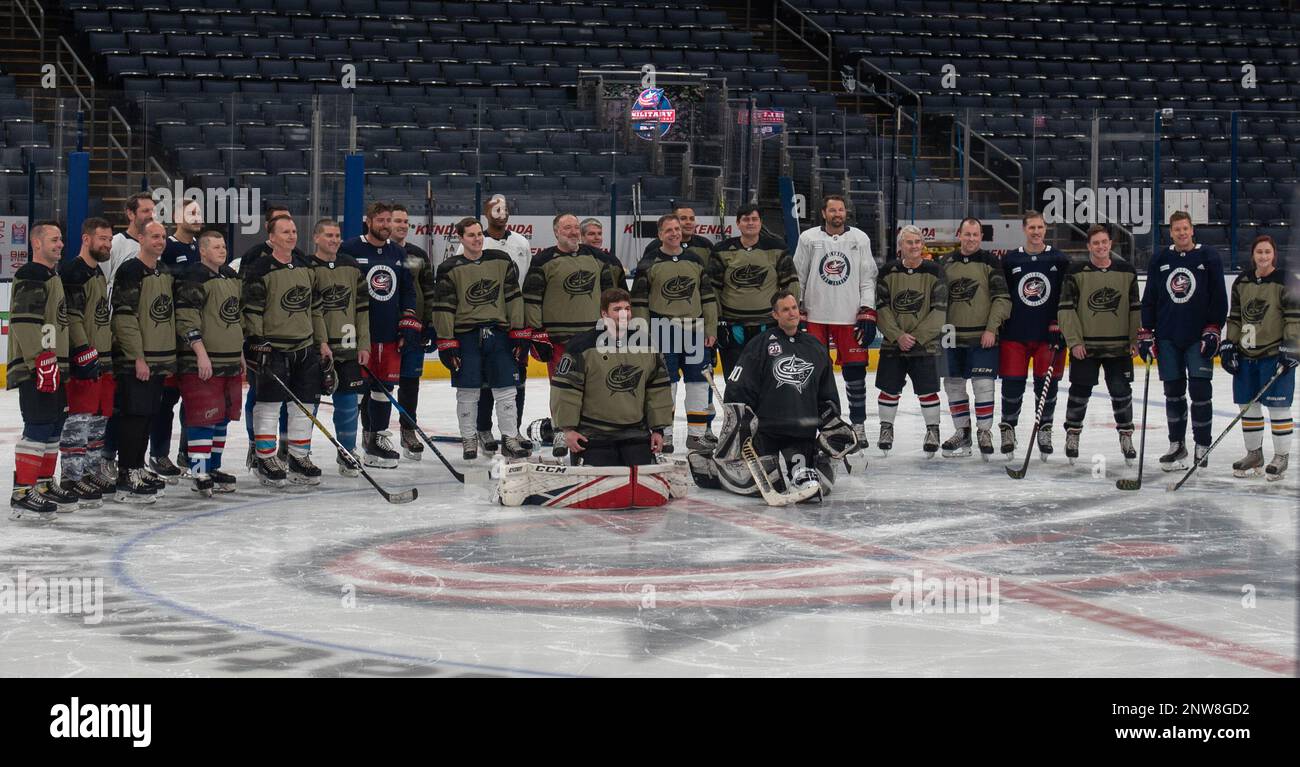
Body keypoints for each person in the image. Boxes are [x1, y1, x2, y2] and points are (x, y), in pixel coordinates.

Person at [688, 290, 852, 503]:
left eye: (794, 308)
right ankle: (714, 472)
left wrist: (831, 424)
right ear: (775, 315)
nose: (791, 313)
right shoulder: (761, 344)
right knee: (769, 481)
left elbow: (826, 394)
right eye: (785, 309)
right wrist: (742, 418)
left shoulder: (815, 348)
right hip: (765, 432)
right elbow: (738, 386)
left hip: (801, 432)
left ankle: (811, 467)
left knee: (809, 483)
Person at [431, 217, 530, 460]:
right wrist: (446, 342)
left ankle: (509, 437)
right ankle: (469, 439)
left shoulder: (500, 260)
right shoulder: (449, 268)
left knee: (506, 389)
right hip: (466, 336)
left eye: (478, 234)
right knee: (468, 391)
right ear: (461, 238)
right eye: (471, 235)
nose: (476, 239)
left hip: (498, 334)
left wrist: (518, 332)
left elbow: (513, 297)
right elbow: (443, 307)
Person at [1139, 210, 1228, 471]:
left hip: (1197, 337)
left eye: (1185, 228)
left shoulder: (1208, 256)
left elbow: (1218, 296)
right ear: (1171, 232)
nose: (1181, 233)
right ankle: (1177, 444)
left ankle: (1202, 444)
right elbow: (1151, 298)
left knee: (1200, 392)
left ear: (1192, 230)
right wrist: (1146, 332)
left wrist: (1213, 327)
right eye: (1176, 229)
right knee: (1173, 394)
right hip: (1168, 336)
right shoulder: (1160, 259)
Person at [242, 215, 326, 486]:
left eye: (293, 231)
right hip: (273, 348)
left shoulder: (305, 265)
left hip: (304, 347)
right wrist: (257, 342)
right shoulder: (260, 268)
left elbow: (315, 308)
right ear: (272, 236)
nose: (292, 236)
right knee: (268, 405)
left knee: (303, 406)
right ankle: (265, 457)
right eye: (285, 232)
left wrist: (321, 341)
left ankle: (298, 456)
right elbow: (252, 310)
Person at [550, 288, 672, 467]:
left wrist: (658, 430)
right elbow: (565, 391)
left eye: (627, 309)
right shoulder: (581, 346)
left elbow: (658, 388)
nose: (624, 314)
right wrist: (567, 430)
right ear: (604, 313)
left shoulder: (647, 345)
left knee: (638, 489)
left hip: (635, 433)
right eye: (617, 309)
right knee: (598, 490)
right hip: (593, 434)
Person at [340, 201, 420, 468]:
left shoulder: (398, 252)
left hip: (389, 334)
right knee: (357, 391)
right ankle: (350, 446)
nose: (386, 225)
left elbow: (408, 290)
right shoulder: (349, 249)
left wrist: (407, 320)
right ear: (369, 221)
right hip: (360, 334)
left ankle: (377, 441)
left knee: (384, 389)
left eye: (390, 221)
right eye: (382, 220)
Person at [794, 194, 877, 444]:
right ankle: (817, 423)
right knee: (813, 374)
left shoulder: (860, 238)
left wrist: (868, 311)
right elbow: (799, 275)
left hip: (849, 317)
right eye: (832, 210)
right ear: (823, 213)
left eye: (840, 210)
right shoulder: (808, 238)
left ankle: (859, 425)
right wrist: (796, 309)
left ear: (845, 212)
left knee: (855, 374)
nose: (837, 214)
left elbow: (867, 278)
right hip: (815, 316)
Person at [630, 214, 718, 453]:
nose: (674, 233)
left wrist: (710, 328)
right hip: (662, 329)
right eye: (668, 230)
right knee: (665, 384)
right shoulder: (648, 263)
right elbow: (639, 303)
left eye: (677, 229)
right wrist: (642, 334)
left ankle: (698, 435)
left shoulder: (696, 260)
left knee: (699, 383)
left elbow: (708, 298)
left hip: (695, 331)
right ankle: (665, 433)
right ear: (659, 234)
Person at [1056, 225, 1140, 465]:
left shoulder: (1127, 271)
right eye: (1096, 243)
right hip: (1086, 347)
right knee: (1079, 393)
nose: (1101, 247)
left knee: (1121, 393)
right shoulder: (1075, 271)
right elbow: (1066, 309)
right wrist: (1074, 341)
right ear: (1088, 246)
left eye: (1104, 242)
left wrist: (1134, 339)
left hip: (1118, 348)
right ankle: (1073, 434)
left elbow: (1135, 309)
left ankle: (1126, 436)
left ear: (1110, 244)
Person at [8, 221, 75, 517]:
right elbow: (24, 321)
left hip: (54, 366)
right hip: (38, 367)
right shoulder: (31, 274)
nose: (60, 244)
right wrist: (39, 362)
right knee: (37, 425)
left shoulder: (51, 275)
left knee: (53, 424)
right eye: (53, 239)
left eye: (61, 239)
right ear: (36, 243)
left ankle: (44, 483)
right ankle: (22, 491)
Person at [1221, 234, 1298, 481]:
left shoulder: (1286, 281)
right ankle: (1254, 454)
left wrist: (1292, 347)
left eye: (1267, 252)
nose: (1263, 256)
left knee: (1278, 407)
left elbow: (1294, 317)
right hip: (1246, 356)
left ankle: (1281, 457)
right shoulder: (1242, 282)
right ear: (1253, 255)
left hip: (1274, 355)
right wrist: (1229, 345)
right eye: (1259, 252)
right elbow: (1234, 317)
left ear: (1274, 254)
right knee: (1248, 406)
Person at [173, 230, 244, 495]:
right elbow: (186, 318)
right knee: (204, 417)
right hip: (203, 362)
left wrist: (240, 353)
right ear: (202, 251)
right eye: (215, 247)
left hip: (229, 361)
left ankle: (213, 466)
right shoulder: (193, 276)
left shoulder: (229, 276)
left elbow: (234, 318)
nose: (222, 250)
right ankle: (199, 471)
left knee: (222, 417)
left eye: (224, 246)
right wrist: (200, 352)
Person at [110, 221, 175, 502]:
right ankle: (127, 471)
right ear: (141, 238)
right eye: (154, 236)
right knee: (134, 416)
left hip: (159, 359)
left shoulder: (164, 271)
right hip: (136, 361)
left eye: (163, 236)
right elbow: (124, 319)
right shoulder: (130, 271)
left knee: (148, 414)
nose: (160, 241)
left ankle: (139, 465)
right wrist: (137, 357)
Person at [998, 210, 1070, 457]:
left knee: (1047, 387)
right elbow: (1002, 297)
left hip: (1048, 336)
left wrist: (1060, 325)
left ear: (1045, 229)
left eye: (1040, 227)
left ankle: (1045, 428)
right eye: (1032, 228)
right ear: (1024, 229)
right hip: (1014, 335)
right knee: (1012, 386)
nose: (1036, 232)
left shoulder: (1059, 259)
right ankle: (1008, 428)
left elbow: (1067, 297)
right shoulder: (1010, 261)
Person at [938, 217, 1010, 458]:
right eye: (967, 234)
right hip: (952, 338)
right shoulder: (945, 262)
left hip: (983, 337)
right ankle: (963, 432)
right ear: (959, 235)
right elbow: (937, 301)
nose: (971, 239)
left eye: (975, 235)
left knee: (983, 386)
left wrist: (992, 328)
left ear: (981, 237)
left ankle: (984, 432)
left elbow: (1002, 298)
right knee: (954, 386)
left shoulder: (991, 262)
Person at [57, 218, 116, 507]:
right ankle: (71, 477)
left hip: (103, 359)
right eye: (102, 239)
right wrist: (82, 349)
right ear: (86, 239)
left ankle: (90, 472)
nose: (106, 244)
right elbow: (72, 316)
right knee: (78, 421)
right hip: (84, 359)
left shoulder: (99, 272)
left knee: (97, 422)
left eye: (109, 240)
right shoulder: (73, 272)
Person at [874, 225, 948, 456]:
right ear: (900, 246)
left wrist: (915, 338)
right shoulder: (887, 271)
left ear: (922, 245)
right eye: (909, 242)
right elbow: (881, 307)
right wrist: (898, 336)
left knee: (927, 391)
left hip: (924, 346)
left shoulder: (936, 272)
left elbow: (940, 311)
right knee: (888, 390)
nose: (914, 246)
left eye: (917, 242)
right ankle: (886, 429)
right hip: (892, 344)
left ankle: (933, 430)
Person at [309, 218, 370, 476]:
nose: (334, 240)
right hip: (314, 350)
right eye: (329, 235)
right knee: (306, 404)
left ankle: (346, 451)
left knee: (347, 404)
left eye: (337, 235)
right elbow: (310, 309)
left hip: (348, 348)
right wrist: (320, 341)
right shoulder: (307, 267)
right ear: (316, 238)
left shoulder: (351, 265)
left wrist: (364, 343)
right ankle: (299, 454)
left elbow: (362, 308)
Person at [709, 205, 800, 377]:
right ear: (738, 223)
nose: (750, 223)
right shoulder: (721, 250)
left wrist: (788, 314)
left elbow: (791, 283)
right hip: (733, 326)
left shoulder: (776, 247)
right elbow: (713, 289)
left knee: (769, 377)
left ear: (760, 222)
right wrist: (718, 321)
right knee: (735, 378)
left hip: (767, 324)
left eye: (754, 219)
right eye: (745, 219)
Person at [476, 194, 533, 452]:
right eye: (495, 209)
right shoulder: (478, 241)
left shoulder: (521, 242)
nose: (501, 213)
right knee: (486, 379)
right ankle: (484, 429)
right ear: (486, 213)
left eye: (505, 209)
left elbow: (528, 282)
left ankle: (514, 430)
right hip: (485, 320)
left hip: (515, 321)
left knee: (517, 377)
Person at [390, 203, 437, 461]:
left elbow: (428, 290)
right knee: (378, 385)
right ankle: (373, 433)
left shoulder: (417, 254)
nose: (402, 226)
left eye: (405, 221)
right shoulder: (379, 254)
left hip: (413, 330)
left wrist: (428, 322)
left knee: (410, 383)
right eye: (397, 221)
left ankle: (408, 430)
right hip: (383, 330)